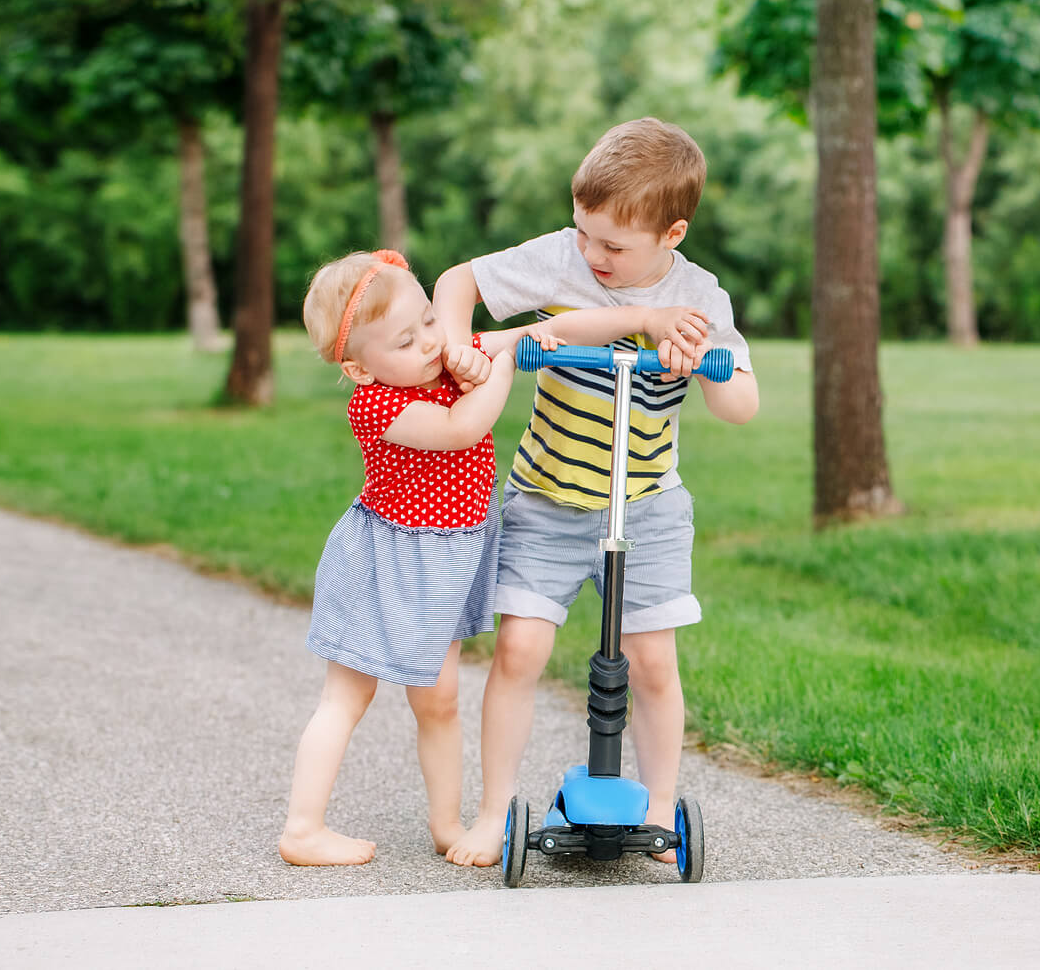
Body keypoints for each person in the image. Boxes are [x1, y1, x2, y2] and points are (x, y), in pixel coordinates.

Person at [283, 247, 712, 867]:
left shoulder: (442, 360)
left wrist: (643, 315)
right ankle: (303, 827)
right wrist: (504, 363)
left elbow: (555, 330)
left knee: (439, 700)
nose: (431, 342)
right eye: (406, 341)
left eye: (430, 320)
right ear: (358, 368)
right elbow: (462, 427)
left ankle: (446, 826)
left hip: (443, 563)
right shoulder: (378, 406)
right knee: (347, 696)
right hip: (390, 558)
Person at [432, 117, 760, 868]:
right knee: (519, 648)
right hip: (546, 497)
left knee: (650, 662)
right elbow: (461, 282)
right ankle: (492, 813)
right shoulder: (559, 260)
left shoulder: (698, 294)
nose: (593, 254)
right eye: (585, 233)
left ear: (672, 233)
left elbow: (742, 401)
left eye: (614, 246)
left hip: (646, 505)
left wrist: (701, 362)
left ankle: (655, 807)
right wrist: (457, 339)